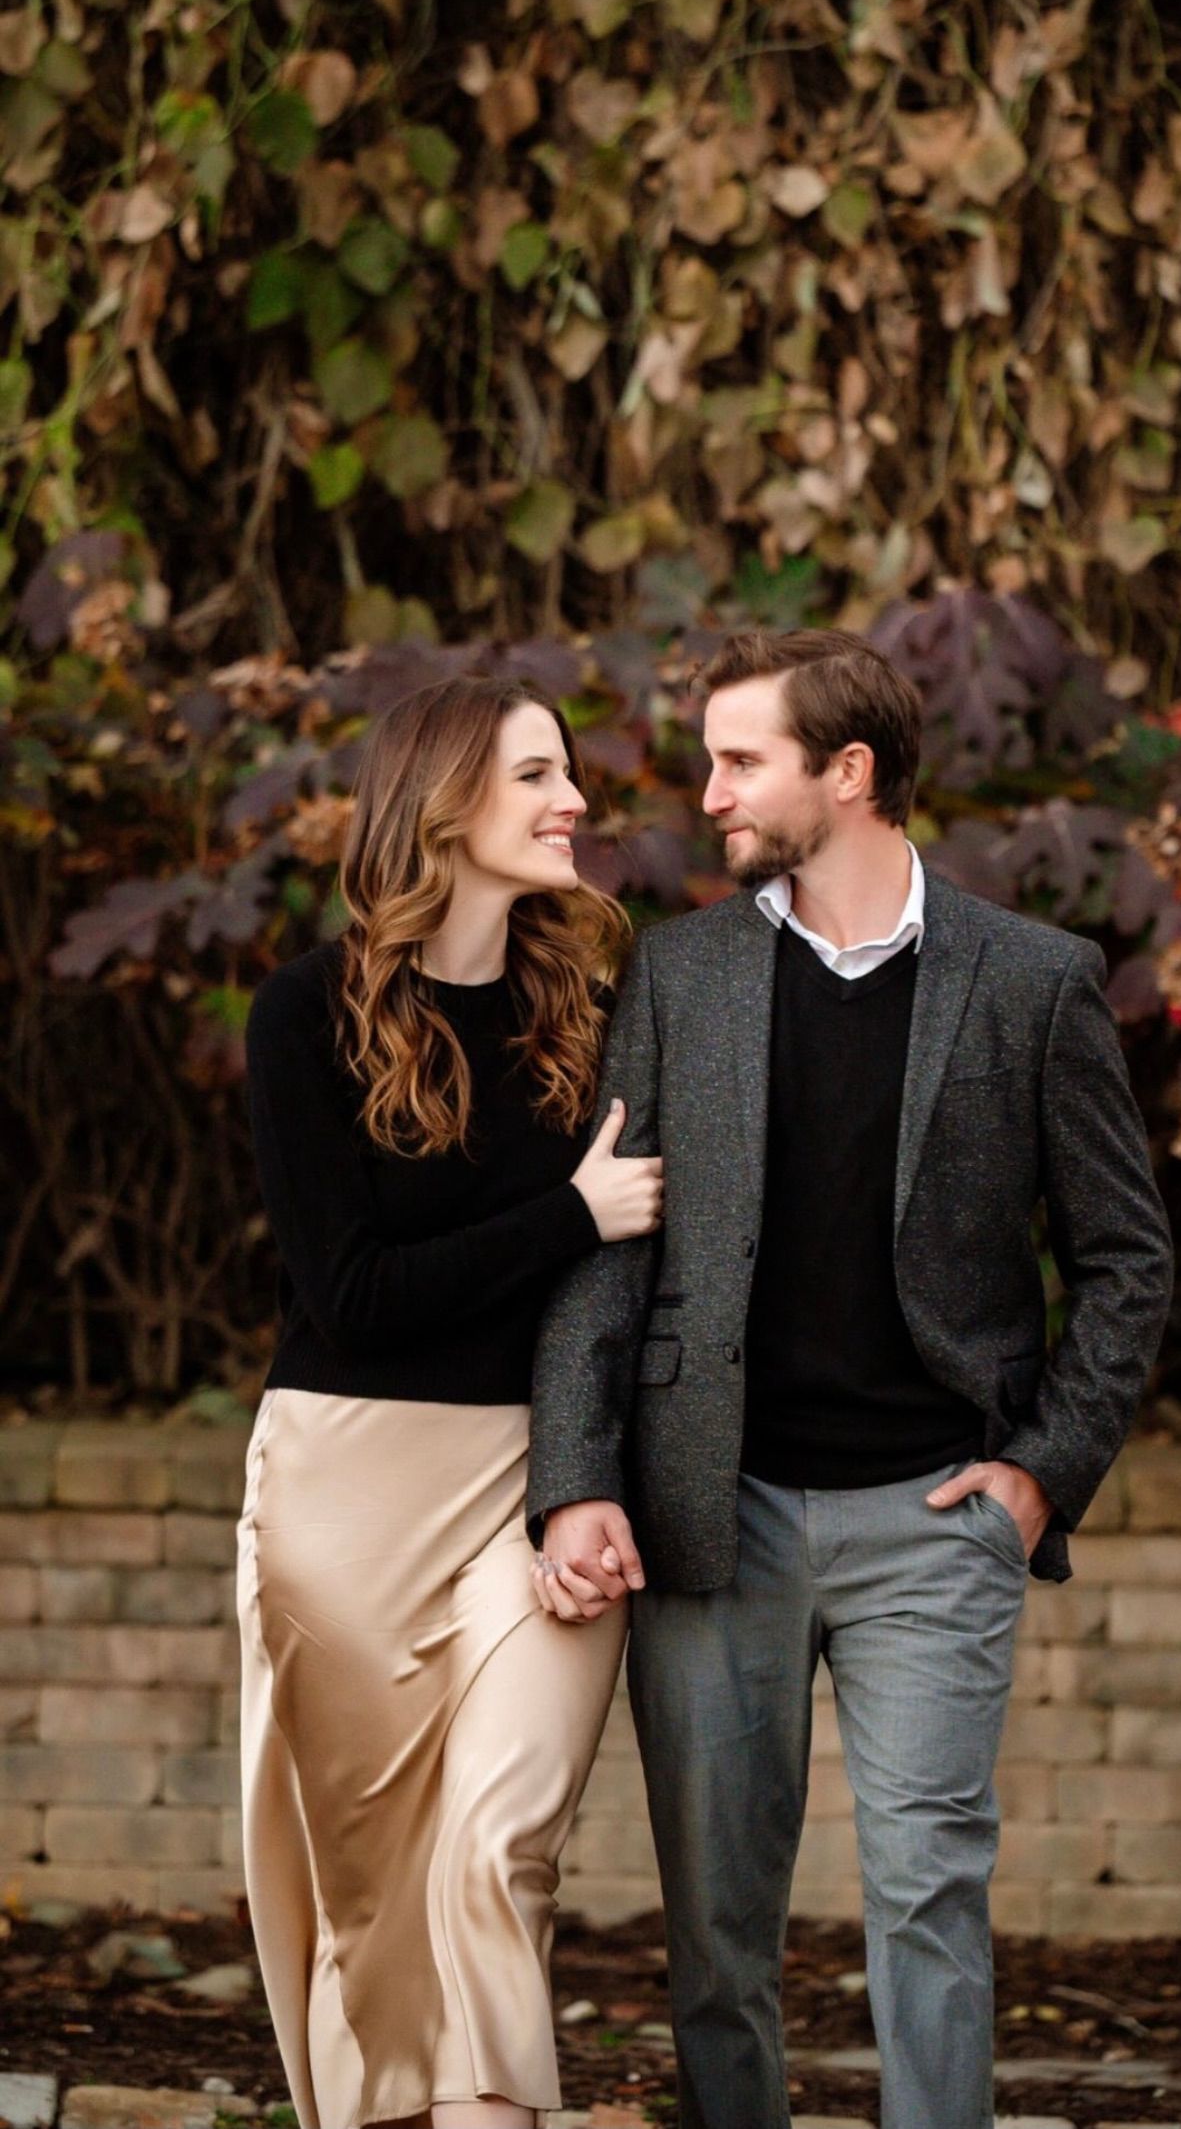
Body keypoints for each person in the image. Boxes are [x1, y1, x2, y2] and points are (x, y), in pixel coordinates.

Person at [527, 626, 1174, 2129]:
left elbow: (1126, 1259)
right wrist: (575, 1482)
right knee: (716, 1931)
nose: (711, 790)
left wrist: (1040, 1471)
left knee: (932, 1899)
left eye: (741, 759)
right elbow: (605, 1252)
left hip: (937, 1520)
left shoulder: (1031, 980)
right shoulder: (681, 974)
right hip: (713, 1510)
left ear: (850, 771)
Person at [237, 674, 662, 2129]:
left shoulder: (586, 1018)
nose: (576, 804)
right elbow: (351, 1293)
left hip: (537, 1482)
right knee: (376, 1894)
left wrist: (590, 1466)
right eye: (540, 776)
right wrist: (573, 1216)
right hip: (348, 1486)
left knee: (498, 1842)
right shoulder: (308, 1014)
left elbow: (619, 1289)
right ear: (446, 803)